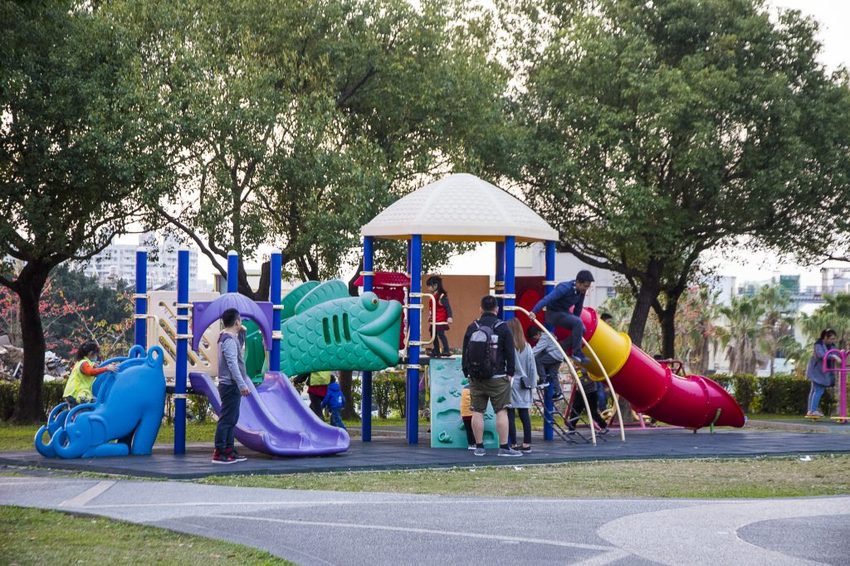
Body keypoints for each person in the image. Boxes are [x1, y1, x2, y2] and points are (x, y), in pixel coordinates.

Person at [461, 295, 522, 457]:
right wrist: (510, 373)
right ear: (497, 309)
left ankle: (479, 447)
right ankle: (503, 447)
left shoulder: (472, 327)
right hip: (498, 377)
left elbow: (465, 350)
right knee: (501, 411)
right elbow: (510, 352)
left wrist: (466, 372)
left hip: (476, 377)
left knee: (477, 411)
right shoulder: (502, 327)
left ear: (480, 309)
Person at [528, 270, 594, 365]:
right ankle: (577, 353)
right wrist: (534, 311)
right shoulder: (564, 288)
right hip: (552, 314)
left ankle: (562, 346)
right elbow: (547, 298)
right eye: (585, 286)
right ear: (578, 282)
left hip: (564, 313)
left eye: (588, 287)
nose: (586, 289)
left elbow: (578, 309)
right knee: (578, 323)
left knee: (582, 329)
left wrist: (575, 325)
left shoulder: (581, 292)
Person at [213, 308, 251, 464]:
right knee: (227, 419)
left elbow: (238, 347)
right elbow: (232, 364)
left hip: (230, 384)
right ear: (237, 321)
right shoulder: (228, 340)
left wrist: (242, 332)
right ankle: (219, 451)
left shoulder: (228, 338)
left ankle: (229, 450)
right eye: (240, 319)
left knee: (232, 419)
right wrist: (242, 384)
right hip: (230, 385)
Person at [506, 318, 536, 452]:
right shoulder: (528, 347)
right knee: (524, 415)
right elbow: (532, 368)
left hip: (511, 383)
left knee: (510, 414)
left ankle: (512, 443)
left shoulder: (509, 347)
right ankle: (527, 443)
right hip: (524, 384)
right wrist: (532, 383)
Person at [62, 341, 119, 407]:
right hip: (76, 393)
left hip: (73, 392)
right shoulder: (84, 363)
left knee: (81, 409)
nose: (96, 356)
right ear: (91, 353)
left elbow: (95, 370)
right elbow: (91, 372)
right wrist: (106, 368)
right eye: (96, 354)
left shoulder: (82, 362)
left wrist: (109, 366)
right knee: (87, 407)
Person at [806, 329, 840, 417]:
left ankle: (810, 410)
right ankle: (812, 410)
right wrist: (833, 356)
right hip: (817, 371)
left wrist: (839, 355)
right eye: (831, 339)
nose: (833, 341)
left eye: (834, 339)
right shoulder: (818, 344)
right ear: (825, 337)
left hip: (823, 372)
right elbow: (821, 355)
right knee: (819, 390)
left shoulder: (831, 345)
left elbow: (837, 353)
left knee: (814, 390)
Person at [527, 325, 564, 400]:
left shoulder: (544, 338)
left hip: (555, 354)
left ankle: (543, 380)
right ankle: (558, 392)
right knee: (553, 374)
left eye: (534, 338)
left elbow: (537, 350)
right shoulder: (548, 335)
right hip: (559, 356)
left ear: (538, 334)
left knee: (538, 360)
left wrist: (526, 355)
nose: (534, 340)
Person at [567, 367, 609, 435]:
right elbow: (575, 377)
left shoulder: (586, 367)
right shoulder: (575, 368)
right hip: (580, 392)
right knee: (575, 410)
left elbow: (592, 375)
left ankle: (604, 426)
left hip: (590, 392)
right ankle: (571, 428)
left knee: (593, 412)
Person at [426, 275, 453, 357]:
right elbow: (432, 308)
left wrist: (449, 317)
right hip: (434, 320)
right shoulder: (433, 296)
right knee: (433, 335)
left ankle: (446, 349)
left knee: (441, 334)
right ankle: (436, 350)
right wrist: (430, 316)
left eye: (429, 286)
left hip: (440, 320)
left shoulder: (441, 296)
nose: (428, 288)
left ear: (435, 286)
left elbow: (448, 307)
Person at [460, 382, 476, 450]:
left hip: (465, 413)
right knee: (475, 429)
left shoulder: (464, 390)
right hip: (473, 413)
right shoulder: (474, 389)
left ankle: (470, 444)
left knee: (468, 430)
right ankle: (476, 443)